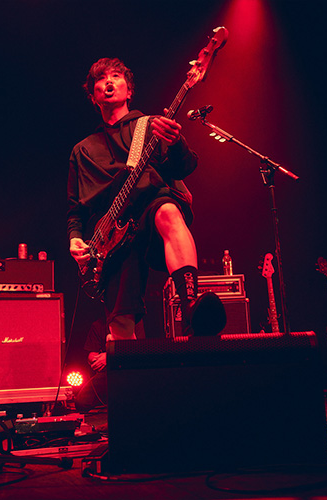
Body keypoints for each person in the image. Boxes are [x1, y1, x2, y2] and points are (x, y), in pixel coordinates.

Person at [67, 57, 225, 341]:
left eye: (116, 76)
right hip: (110, 237)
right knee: (120, 327)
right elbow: (75, 208)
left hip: (148, 209)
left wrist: (176, 143)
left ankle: (191, 307)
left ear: (129, 90)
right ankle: (128, 367)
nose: (108, 82)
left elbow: (184, 168)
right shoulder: (83, 150)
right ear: (93, 96)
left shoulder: (150, 126)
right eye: (101, 79)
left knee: (168, 210)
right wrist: (75, 238)